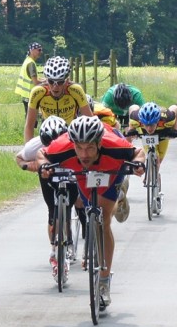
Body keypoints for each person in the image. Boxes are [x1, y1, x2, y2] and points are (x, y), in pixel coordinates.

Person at [36, 116, 145, 307]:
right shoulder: (64, 147)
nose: (84, 154)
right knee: (90, 208)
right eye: (79, 148)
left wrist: (139, 165)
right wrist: (44, 166)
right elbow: (41, 154)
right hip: (83, 175)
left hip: (111, 169)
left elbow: (138, 152)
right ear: (73, 144)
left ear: (99, 143)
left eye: (90, 148)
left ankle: (103, 282)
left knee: (104, 221)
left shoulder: (114, 145)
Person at [16, 115, 85, 284]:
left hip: (69, 172)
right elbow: (19, 158)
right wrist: (30, 166)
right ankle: (55, 249)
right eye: (49, 145)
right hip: (48, 174)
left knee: (77, 203)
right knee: (52, 212)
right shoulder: (35, 145)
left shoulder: (74, 142)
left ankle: (79, 236)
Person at [24, 56, 93, 142]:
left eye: (60, 82)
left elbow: (90, 121)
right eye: (51, 81)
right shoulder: (38, 92)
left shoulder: (75, 90)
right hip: (48, 135)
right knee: (22, 155)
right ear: (46, 79)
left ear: (67, 80)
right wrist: (27, 149)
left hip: (70, 135)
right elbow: (29, 126)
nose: (55, 86)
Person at [126, 102, 177, 167]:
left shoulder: (168, 118)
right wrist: (131, 129)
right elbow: (132, 107)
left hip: (163, 132)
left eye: (152, 125)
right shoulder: (135, 118)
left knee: (159, 160)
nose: (149, 129)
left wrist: (175, 129)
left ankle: (156, 175)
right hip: (146, 135)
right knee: (157, 159)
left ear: (157, 122)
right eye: (146, 125)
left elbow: (175, 107)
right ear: (142, 122)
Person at [14, 42, 43, 120]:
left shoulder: (27, 60)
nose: (41, 52)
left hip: (26, 95)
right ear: (32, 50)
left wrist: (44, 79)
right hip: (31, 96)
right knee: (32, 120)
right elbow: (35, 82)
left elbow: (32, 78)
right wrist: (47, 82)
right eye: (39, 50)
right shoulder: (31, 64)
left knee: (29, 118)